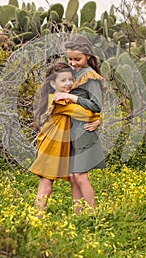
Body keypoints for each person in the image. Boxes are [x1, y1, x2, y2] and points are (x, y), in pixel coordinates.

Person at [29, 62, 100, 214]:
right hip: (50, 148)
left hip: (55, 146)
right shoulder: (59, 100)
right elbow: (84, 114)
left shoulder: (58, 97)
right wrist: (98, 117)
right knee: (46, 184)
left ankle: (79, 215)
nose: (68, 83)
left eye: (70, 79)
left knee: (62, 182)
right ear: (53, 83)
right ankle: (38, 218)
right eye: (63, 80)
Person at [53, 34, 105, 213]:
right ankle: (78, 216)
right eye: (70, 59)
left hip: (84, 132)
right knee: (73, 177)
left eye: (78, 59)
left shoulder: (90, 76)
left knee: (80, 176)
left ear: (88, 56)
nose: (73, 63)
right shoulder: (74, 73)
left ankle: (91, 215)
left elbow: (96, 105)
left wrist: (71, 97)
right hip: (72, 131)